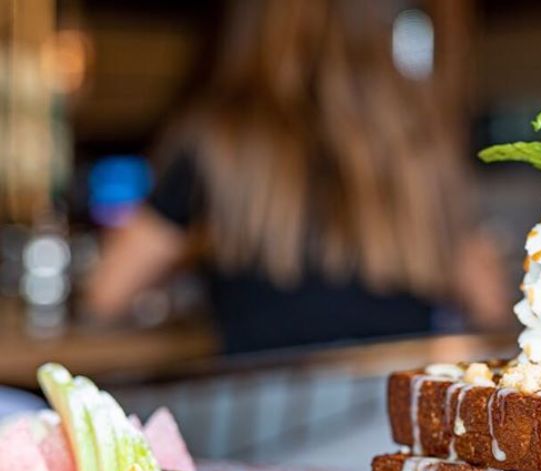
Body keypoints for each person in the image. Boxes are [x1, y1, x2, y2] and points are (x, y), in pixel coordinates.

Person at [87, 0, 511, 354]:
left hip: (262, 416)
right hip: (394, 414)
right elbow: (490, 306)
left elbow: (107, 293)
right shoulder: (421, 143)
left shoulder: (221, 137)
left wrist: (196, 252)